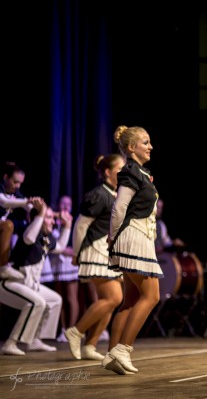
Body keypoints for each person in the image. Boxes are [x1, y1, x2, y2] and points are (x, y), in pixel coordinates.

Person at [102, 125, 162, 375]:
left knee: (131, 301)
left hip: (140, 237)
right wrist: (113, 238)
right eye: (145, 142)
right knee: (152, 296)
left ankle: (113, 354)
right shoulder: (129, 172)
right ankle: (121, 349)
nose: (150, 147)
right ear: (131, 147)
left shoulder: (140, 172)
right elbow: (119, 208)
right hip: (133, 237)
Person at [64, 154, 126, 361]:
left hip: (108, 252)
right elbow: (81, 225)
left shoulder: (117, 194)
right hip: (95, 250)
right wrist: (76, 253)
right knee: (113, 298)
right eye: (120, 169)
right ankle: (76, 332)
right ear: (108, 172)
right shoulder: (99, 195)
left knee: (110, 300)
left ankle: (90, 345)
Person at [1, 197, 70, 354]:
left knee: (54, 300)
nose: (53, 221)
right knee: (37, 302)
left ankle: (35, 340)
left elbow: (59, 247)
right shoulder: (31, 232)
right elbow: (29, 238)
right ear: (38, 218)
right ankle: (10, 343)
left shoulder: (46, 238)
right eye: (49, 217)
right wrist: (41, 213)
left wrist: (67, 227)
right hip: (9, 283)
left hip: (29, 285)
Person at [48, 195, 80, 342]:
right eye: (63, 203)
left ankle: (71, 330)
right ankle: (62, 329)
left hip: (70, 263)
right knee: (59, 297)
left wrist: (72, 251)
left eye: (68, 204)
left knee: (71, 297)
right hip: (57, 263)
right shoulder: (53, 222)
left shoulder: (74, 223)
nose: (66, 206)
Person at [0, 161, 31, 281]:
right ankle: (2, 266)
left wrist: (39, 209)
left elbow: (29, 207)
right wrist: (27, 202)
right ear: (6, 177)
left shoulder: (15, 192)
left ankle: (17, 264)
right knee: (8, 225)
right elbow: (4, 202)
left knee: (24, 228)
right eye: (15, 182)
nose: (18, 186)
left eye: (20, 183)